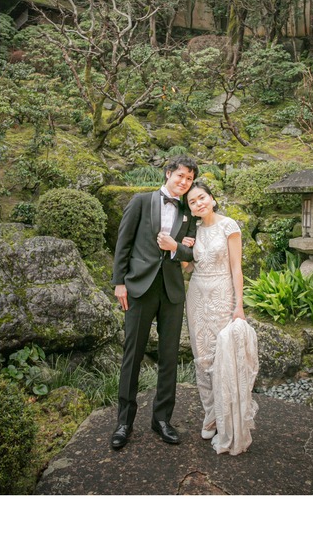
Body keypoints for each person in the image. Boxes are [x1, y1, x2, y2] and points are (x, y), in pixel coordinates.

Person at [109, 155, 199, 450]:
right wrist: (119, 282)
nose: (184, 182)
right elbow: (123, 243)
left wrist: (176, 248)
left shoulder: (189, 211)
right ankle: (124, 422)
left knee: (169, 357)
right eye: (181, 175)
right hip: (139, 287)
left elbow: (191, 253)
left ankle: (161, 420)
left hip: (172, 291)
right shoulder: (141, 201)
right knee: (132, 354)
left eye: (189, 179)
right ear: (168, 173)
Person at [180, 180, 259, 455]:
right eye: (192, 202)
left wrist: (239, 305)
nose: (198, 203)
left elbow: (237, 268)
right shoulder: (193, 230)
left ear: (212, 199)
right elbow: (188, 268)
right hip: (196, 295)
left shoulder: (229, 226)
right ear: (190, 208)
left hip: (222, 295)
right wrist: (181, 250)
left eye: (202, 198)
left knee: (221, 357)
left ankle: (223, 418)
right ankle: (210, 414)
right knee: (201, 357)